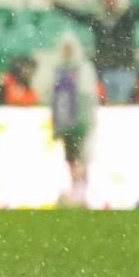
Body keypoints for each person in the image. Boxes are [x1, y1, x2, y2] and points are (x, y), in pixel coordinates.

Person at [47, 0, 139, 103]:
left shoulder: (125, 17)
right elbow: (77, 15)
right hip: (106, 69)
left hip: (125, 68)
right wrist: (57, 5)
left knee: (121, 101)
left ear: (117, 0)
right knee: (110, 102)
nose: (110, 2)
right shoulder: (97, 19)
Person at [52, 33, 98, 207]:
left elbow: (87, 96)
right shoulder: (58, 70)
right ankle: (75, 190)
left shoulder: (83, 68)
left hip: (81, 122)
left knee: (82, 157)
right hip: (65, 122)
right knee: (70, 158)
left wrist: (85, 121)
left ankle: (84, 192)